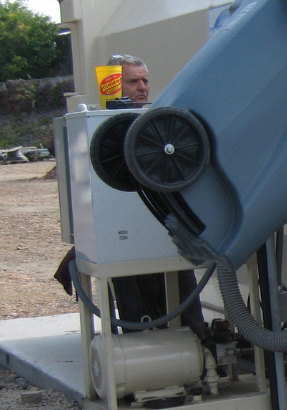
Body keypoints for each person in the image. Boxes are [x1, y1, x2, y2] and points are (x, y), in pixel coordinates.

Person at [55, 53, 207, 339]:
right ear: (113, 84)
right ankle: (142, 361)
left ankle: (198, 353)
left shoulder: (163, 124)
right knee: (134, 311)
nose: (142, 87)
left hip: (167, 234)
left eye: (145, 80)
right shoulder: (98, 129)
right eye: (133, 81)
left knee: (187, 307)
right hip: (120, 242)